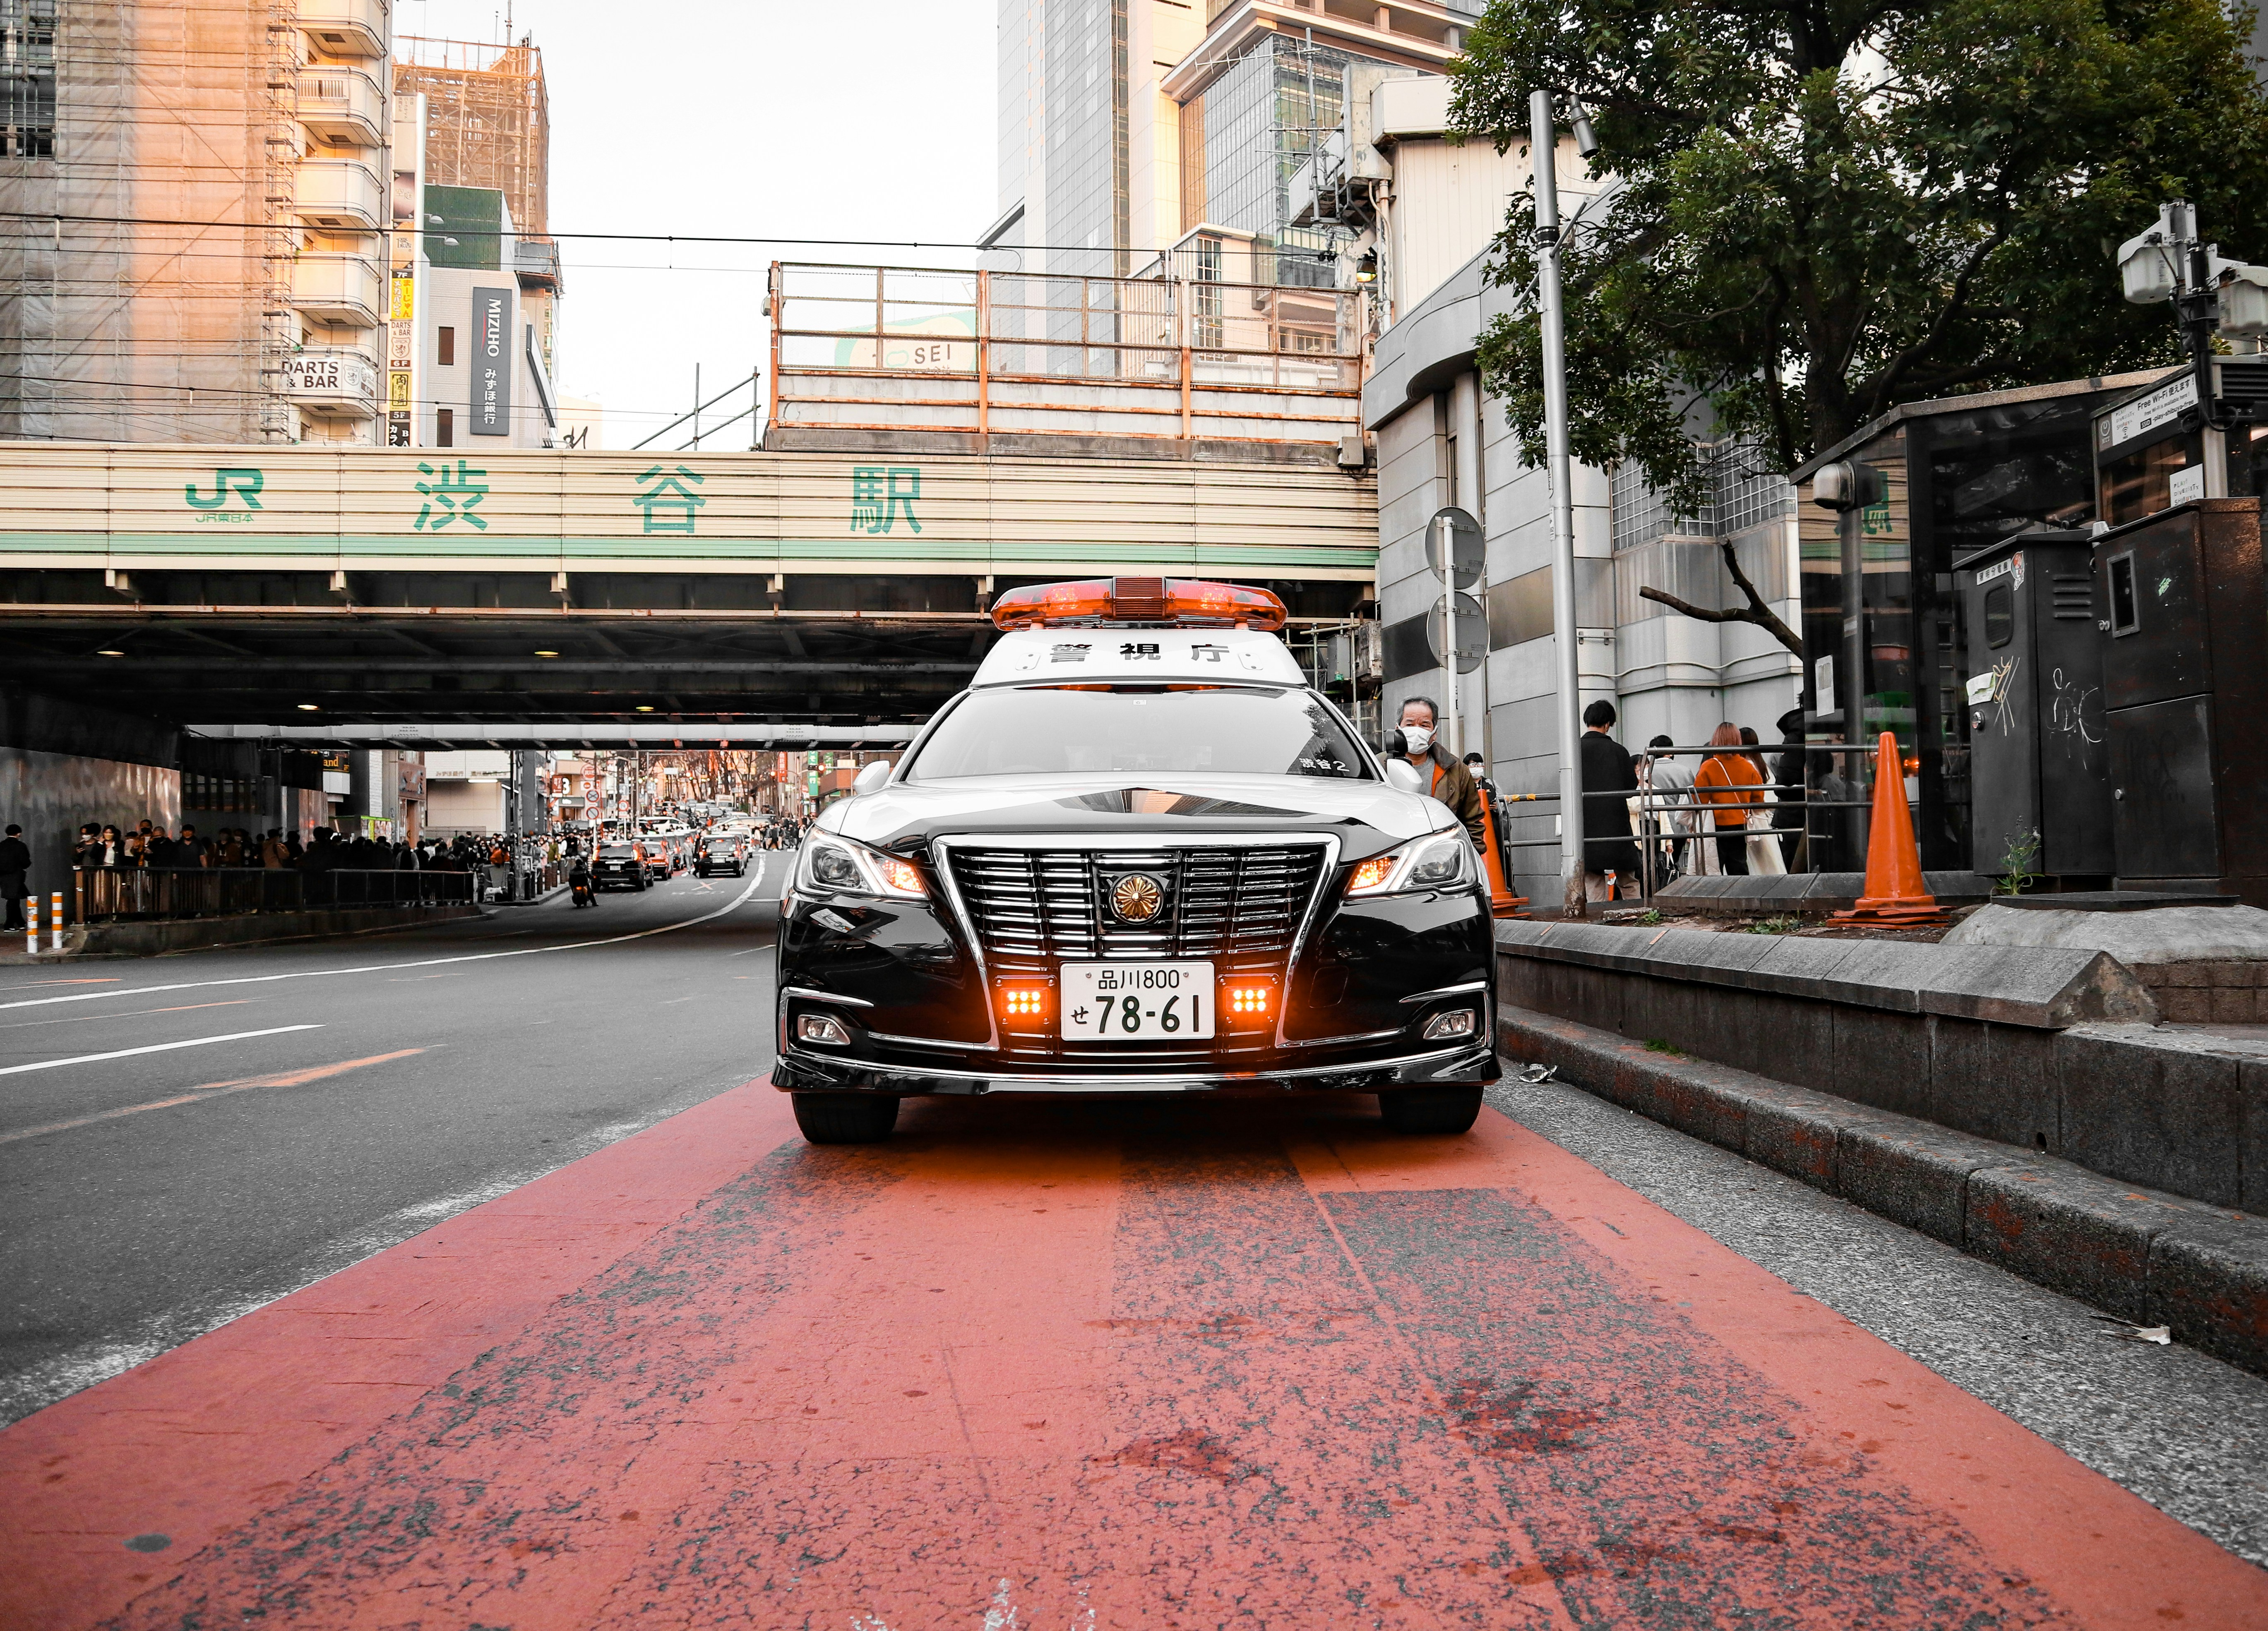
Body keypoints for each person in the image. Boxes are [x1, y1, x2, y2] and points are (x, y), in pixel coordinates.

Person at [1393, 697, 1486, 849]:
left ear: (1434, 733)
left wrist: (1473, 854)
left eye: (1424, 725)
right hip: (1391, 857)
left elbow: (1472, 819)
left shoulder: (1455, 769)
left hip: (1442, 857)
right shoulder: (1378, 765)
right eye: (1410, 724)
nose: (1417, 730)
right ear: (1398, 728)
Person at [1578, 700, 1643, 900]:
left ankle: (1597, 918)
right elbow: (1631, 787)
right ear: (1608, 724)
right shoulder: (1618, 751)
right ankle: (1637, 913)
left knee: (1593, 880)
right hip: (1616, 823)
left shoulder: (1574, 750)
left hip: (1585, 823)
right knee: (1628, 878)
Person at [1695, 721, 1766, 876]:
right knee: (1739, 867)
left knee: (1714, 869)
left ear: (1716, 740)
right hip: (1740, 823)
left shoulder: (1708, 766)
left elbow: (1699, 799)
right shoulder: (1749, 767)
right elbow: (1759, 798)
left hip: (1715, 825)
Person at [1643, 734, 1695, 882]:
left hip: (1653, 823)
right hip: (1678, 825)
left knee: (1655, 863)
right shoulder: (1685, 771)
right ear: (1671, 752)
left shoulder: (1647, 771)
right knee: (1674, 861)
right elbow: (1691, 799)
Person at [1771, 707, 1807, 870]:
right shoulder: (1825, 728)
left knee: (1794, 863)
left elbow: (1785, 780)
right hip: (1817, 807)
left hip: (1793, 812)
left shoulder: (1795, 735)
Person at [0, 824, 28, 930]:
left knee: (14, 899)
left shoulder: (1, 845)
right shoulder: (20, 846)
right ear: (19, 833)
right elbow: (25, 862)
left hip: (3, 876)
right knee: (13, 900)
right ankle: (9, 925)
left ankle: (20, 923)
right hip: (16, 875)